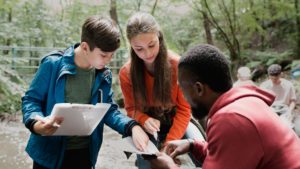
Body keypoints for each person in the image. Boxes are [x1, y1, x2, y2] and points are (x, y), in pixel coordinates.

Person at [22, 16, 149, 169]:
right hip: (48, 154)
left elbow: (109, 111)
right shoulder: (52, 64)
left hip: (85, 154)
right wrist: (37, 125)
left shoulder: (103, 74)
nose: (108, 60)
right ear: (84, 47)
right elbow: (31, 100)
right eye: (103, 55)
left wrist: (132, 126)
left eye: (111, 55)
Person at [150, 44, 300, 169]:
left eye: (182, 89)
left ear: (199, 88)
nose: (182, 96)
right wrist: (192, 145)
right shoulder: (246, 103)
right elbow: (231, 154)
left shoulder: (231, 120)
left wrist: (170, 167)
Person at [119, 12, 194, 168]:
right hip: (146, 126)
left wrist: (168, 145)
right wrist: (143, 119)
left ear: (159, 37)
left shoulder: (178, 65)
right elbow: (131, 109)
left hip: (177, 121)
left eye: (151, 45)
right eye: (139, 49)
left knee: (202, 151)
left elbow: (184, 110)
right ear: (131, 46)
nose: (147, 54)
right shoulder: (126, 73)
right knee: (147, 163)